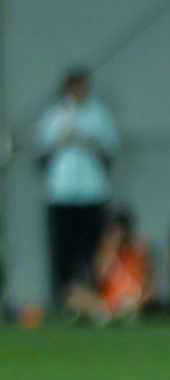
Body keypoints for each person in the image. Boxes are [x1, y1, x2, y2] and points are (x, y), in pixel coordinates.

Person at [35, 68, 120, 301]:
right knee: (63, 251)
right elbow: (42, 153)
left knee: (92, 250)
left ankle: (94, 298)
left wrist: (88, 140)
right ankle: (65, 299)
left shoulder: (99, 115)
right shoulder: (54, 116)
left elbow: (111, 150)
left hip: (92, 192)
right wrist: (62, 139)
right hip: (62, 192)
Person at [64, 210, 151, 324]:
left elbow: (149, 287)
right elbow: (100, 277)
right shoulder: (108, 252)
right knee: (73, 294)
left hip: (131, 301)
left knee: (126, 305)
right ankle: (106, 314)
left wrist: (140, 301)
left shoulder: (139, 251)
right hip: (108, 302)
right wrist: (110, 248)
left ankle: (107, 315)